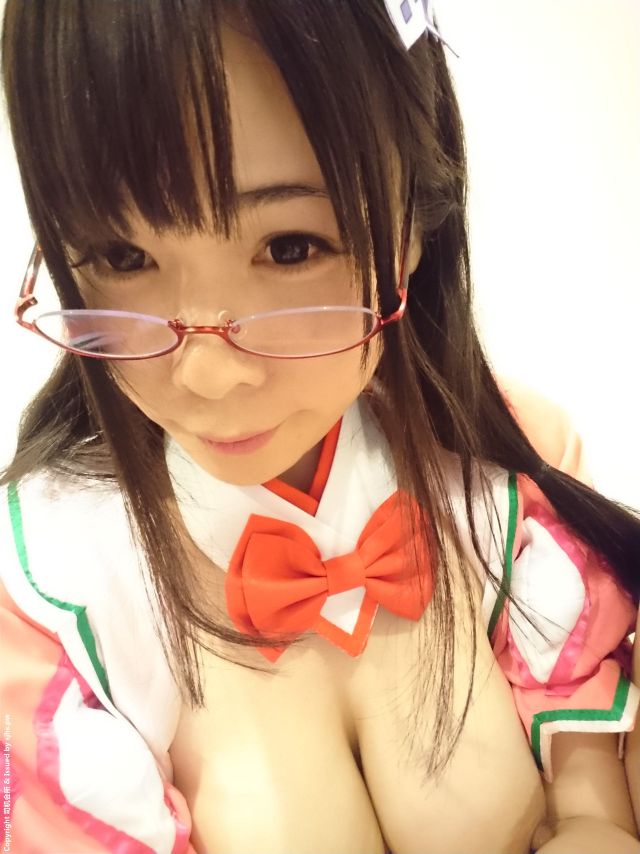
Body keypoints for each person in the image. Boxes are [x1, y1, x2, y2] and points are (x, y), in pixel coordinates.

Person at [1, 2, 639, 852]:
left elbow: (591, 799)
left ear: (413, 225)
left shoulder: (507, 476)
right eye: (123, 258)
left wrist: (594, 826)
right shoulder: (51, 594)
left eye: (291, 247)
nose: (208, 373)